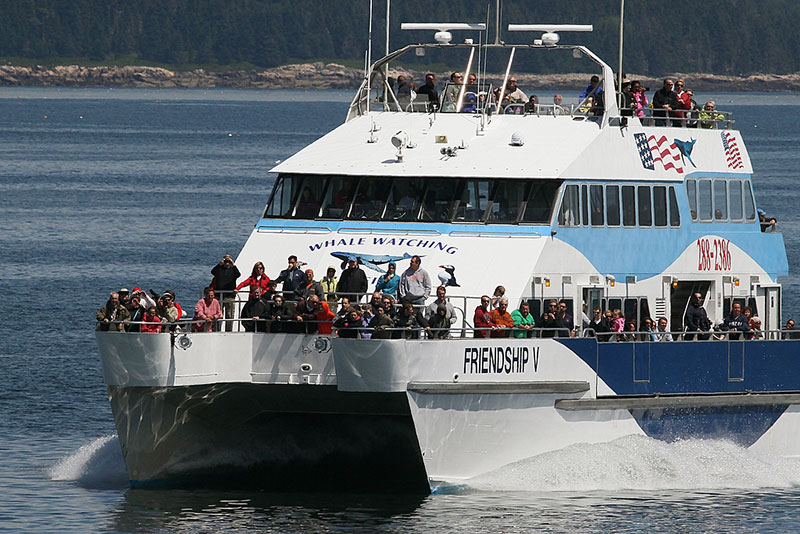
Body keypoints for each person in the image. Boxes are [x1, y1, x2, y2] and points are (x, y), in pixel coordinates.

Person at [211, 254, 241, 332]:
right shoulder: (219, 269)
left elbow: (238, 274)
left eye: (228, 261)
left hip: (229, 296)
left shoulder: (233, 270)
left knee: (229, 315)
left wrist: (233, 265)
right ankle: (217, 330)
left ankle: (228, 331)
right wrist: (219, 264)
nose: (227, 263)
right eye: (226, 261)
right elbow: (213, 272)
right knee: (218, 315)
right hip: (219, 296)